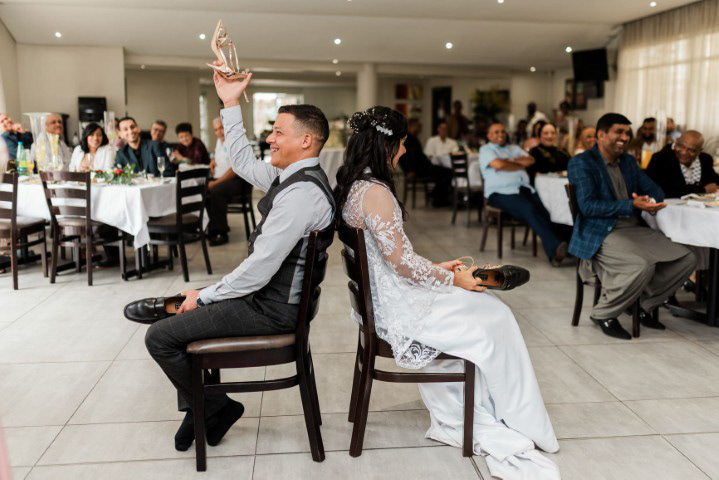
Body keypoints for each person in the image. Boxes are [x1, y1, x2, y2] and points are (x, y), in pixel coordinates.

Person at [335, 106, 560, 479]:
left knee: (483, 303)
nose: (405, 150)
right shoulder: (376, 192)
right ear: (385, 145)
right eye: (402, 143)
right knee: (496, 313)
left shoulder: (355, 185)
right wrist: (453, 280)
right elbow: (401, 264)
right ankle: (517, 417)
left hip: (385, 298)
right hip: (398, 307)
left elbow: (390, 259)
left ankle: (494, 405)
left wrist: (439, 269)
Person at [144, 68, 335, 453]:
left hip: (270, 308)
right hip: (265, 298)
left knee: (160, 336)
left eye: (278, 132)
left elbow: (258, 272)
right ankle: (204, 407)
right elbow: (244, 163)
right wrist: (230, 102)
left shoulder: (302, 196)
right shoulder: (292, 178)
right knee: (175, 314)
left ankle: (214, 406)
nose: (270, 138)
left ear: (306, 140)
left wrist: (204, 295)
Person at [568, 113, 696, 340]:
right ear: (601, 135)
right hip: (599, 232)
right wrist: (631, 204)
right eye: (619, 132)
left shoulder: (627, 161)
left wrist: (650, 201)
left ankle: (641, 304)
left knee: (687, 258)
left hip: (632, 228)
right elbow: (588, 206)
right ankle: (603, 313)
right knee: (640, 265)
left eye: (627, 133)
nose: (625, 137)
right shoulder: (581, 162)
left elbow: (655, 189)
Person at [480, 122, 568, 265]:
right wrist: (517, 164)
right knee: (529, 209)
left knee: (547, 210)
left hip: (523, 189)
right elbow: (499, 164)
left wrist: (510, 162)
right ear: (489, 136)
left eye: (502, 131)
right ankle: (555, 250)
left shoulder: (513, 148)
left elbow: (530, 160)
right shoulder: (486, 150)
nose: (501, 134)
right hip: (499, 192)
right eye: (496, 132)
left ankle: (562, 246)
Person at [206, 116, 253, 246]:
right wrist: (213, 161)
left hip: (239, 181)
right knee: (202, 189)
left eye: (221, 128)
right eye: (216, 129)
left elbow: (234, 170)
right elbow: (223, 159)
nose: (219, 132)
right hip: (224, 179)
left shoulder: (234, 142)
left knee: (215, 190)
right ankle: (211, 229)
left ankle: (221, 233)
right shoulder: (219, 141)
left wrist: (215, 183)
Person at [646, 130, 719, 198]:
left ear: (699, 151)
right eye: (681, 146)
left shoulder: (705, 159)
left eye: (691, 150)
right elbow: (665, 189)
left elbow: (713, 180)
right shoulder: (660, 158)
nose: (684, 153)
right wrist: (703, 189)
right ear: (676, 142)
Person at [398, 118, 452, 207]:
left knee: (445, 172)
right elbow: (402, 157)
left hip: (423, 167)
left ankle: (436, 196)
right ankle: (438, 199)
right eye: (419, 126)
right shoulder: (407, 140)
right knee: (447, 172)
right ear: (412, 126)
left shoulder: (413, 138)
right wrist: (409, 170)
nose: (420, 128)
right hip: (418, 170)